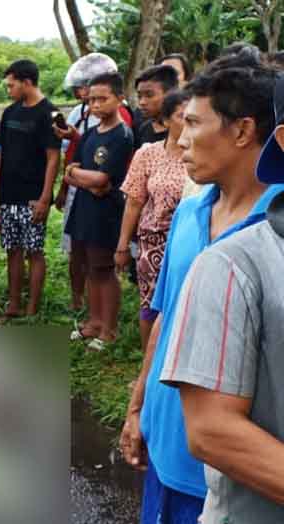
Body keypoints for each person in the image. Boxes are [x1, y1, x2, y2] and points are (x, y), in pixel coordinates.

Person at [118, 52, 282, 524]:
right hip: (167, 449)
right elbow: (167, 315)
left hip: (237, 476)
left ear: (242, 131)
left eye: (192, 124)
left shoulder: (273, 230)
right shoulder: (190, 214)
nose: (181, 141)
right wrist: (139, 407)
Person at [115, 90, 190, 360]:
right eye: (184, 117)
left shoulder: (202, 156)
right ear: (167, 120)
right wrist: (123, 245)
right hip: (153, 243)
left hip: (189, 243)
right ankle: (149, 368)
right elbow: (134, 201)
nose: (191, 123)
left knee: (184, 307)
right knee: (150, 306)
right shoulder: (148, 154)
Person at [64, 72, 135, 351]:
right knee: (89, 267)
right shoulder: (91, 133)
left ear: (119, 98)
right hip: (84, 209)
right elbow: (71, 171)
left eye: (102, 99)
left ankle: (109, 328)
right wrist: (83, 177)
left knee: (105, 270)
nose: (95, 105)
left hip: (106, 213)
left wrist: (85, 177)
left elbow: (103, 180)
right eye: (91, 99)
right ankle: (93, 322)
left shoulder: (122, 136)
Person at [0, 59, 62, 317]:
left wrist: (45, 198)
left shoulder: (49, 114)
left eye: (12, 85)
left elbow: (54, 157)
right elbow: (0, 152)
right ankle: (14, 303)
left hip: (33, 197)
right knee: (12, 249)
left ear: (27, 83)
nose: (9, 90)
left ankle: (32, 307)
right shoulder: (10, 112)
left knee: (34, 250)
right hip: (9, 194)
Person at [133, 65, 178, 150]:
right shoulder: (144, 129)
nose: (142, 102)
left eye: (149, 95)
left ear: (169, 94)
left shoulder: (181, 130)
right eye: (139, 96)